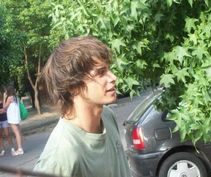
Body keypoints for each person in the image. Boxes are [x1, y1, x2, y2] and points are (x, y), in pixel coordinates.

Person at [33, 36, 131, 177]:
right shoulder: (62, 154)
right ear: (72, 86)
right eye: (101, 72)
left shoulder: (108, 116)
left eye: (109, 70)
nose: (113, 77)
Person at [3, 85, 24, 156]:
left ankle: (20, 149)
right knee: (18, 132)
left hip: (12, 118)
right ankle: (19, 147)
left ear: (8, 91)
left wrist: (4, 97)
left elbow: (4, 107)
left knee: (16, 133)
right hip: (16, 117)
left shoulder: (9, 98)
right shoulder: (16, 97)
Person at [0, 91, 13, 156]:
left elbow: (5, 109)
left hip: (4, 119)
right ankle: (2, 150)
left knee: (7, 134)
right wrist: (2, 110)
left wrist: (3, 110)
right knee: (0, 136)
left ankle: (12, 148)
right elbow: (3, 110)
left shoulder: (3, 100)